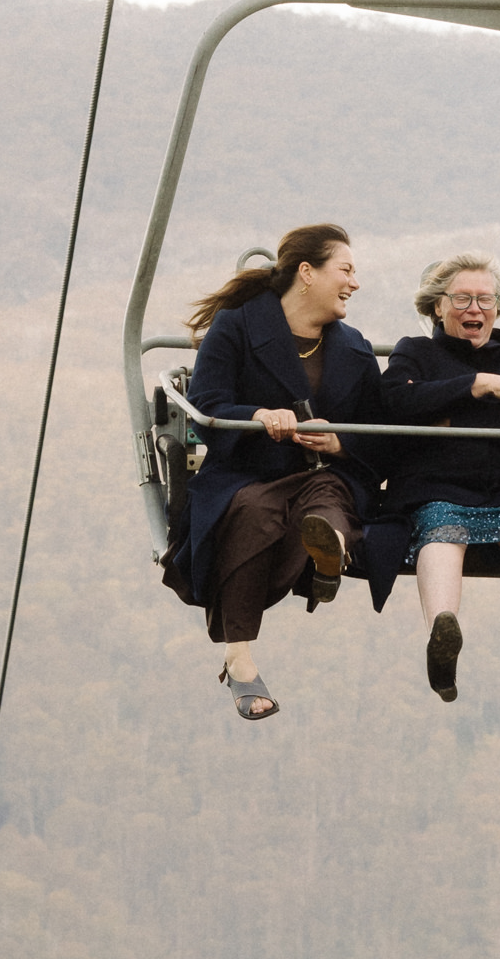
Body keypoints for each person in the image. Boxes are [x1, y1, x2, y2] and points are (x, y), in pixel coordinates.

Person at [173, 224, 384, 721]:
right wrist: (259, 417)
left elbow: (379, 431)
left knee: (328, 497)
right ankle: (239, 655)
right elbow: (207, 404)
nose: (354, 282)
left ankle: (328, 548)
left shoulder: (353, 349)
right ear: (307, 273)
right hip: (250, 473)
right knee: (254, 512)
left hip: (322, 472)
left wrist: (340, 441)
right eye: (346, 270)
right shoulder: (238, 328)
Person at [376, 253, 500, 702]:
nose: (474, 309)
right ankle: (443, 630)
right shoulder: (415, 353)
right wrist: (480, 386)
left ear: (498, 308)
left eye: (484, 299)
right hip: (439, 481)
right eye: (461, 298)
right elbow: (396, 404)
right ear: (437, 307)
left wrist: (446, 414)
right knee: (442, 530)